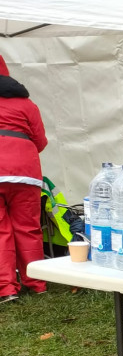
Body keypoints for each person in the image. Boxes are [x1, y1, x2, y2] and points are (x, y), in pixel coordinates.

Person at [0, 54, 48, 303]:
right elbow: (40, 141)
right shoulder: (26, 104)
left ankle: (7, 288)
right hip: (25, 172)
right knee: (28, 227)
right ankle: (37, 282)